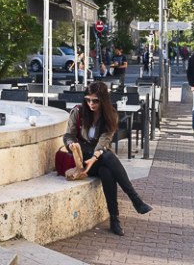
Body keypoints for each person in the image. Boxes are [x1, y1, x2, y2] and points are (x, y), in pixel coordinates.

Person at [62, 81, 151, 236]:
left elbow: (105, 140)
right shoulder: (78, 111)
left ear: (103, 99)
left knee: (106, 171)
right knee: (108, 157)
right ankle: (135, 200)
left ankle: (114, 218)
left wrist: (95, 157)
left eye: (95, 100)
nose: (91, 103)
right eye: (88, 100)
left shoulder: (111, 114)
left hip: (99, 158)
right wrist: (71, 145)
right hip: (82, 158)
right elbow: (68, 135)